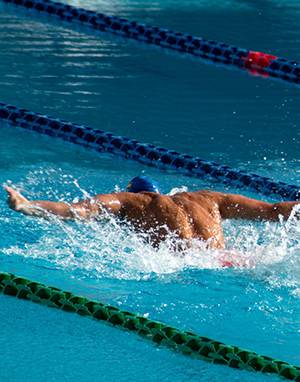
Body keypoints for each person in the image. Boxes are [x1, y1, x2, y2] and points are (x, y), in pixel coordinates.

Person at [4, 176, 299, 250]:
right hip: (233, 262)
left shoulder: (130, 202)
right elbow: (274, 211)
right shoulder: (208, 198)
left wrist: (26, 205)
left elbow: (75, 211)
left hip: (191, 268)